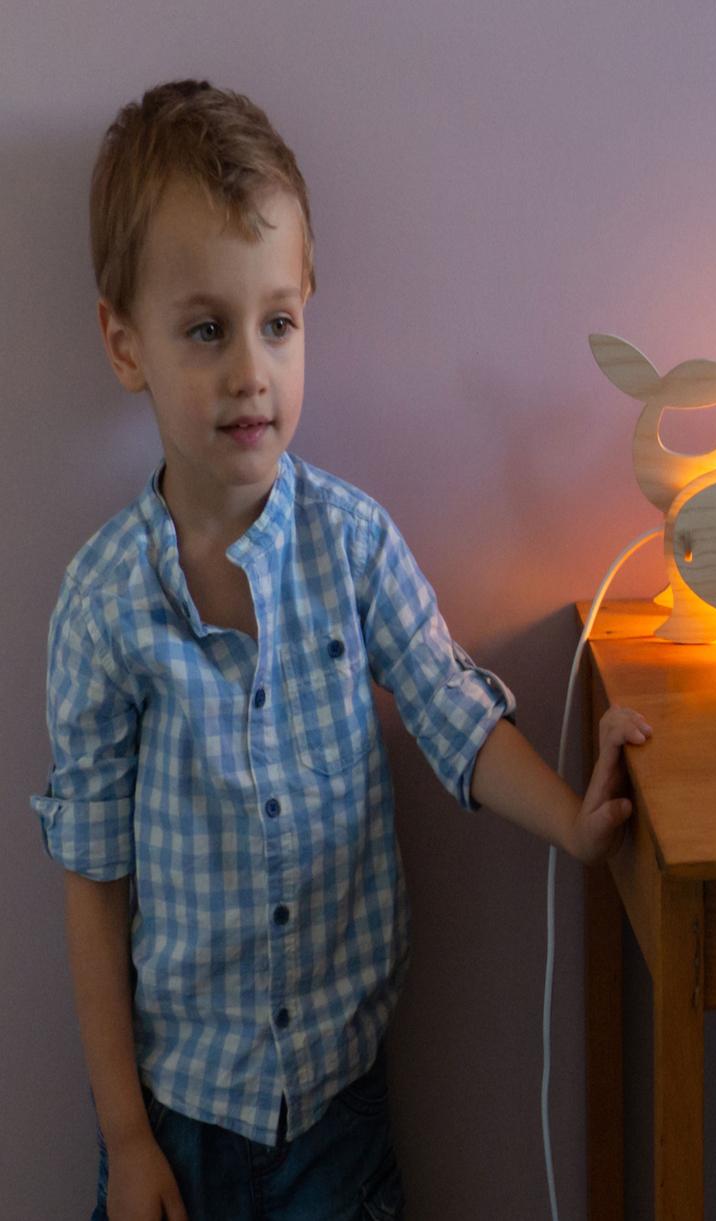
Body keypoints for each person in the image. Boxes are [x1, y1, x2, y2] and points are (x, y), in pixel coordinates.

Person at [31, 79, 651, 1221]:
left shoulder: (351, 543)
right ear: (125, 343)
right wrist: (125, 1136)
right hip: (180, 1119)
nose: (250, 373)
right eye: (206, 330)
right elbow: (93, 884)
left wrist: (575, 821)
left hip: (338, 1111)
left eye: (277, 324)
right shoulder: (105, 607)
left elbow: (451, 710)